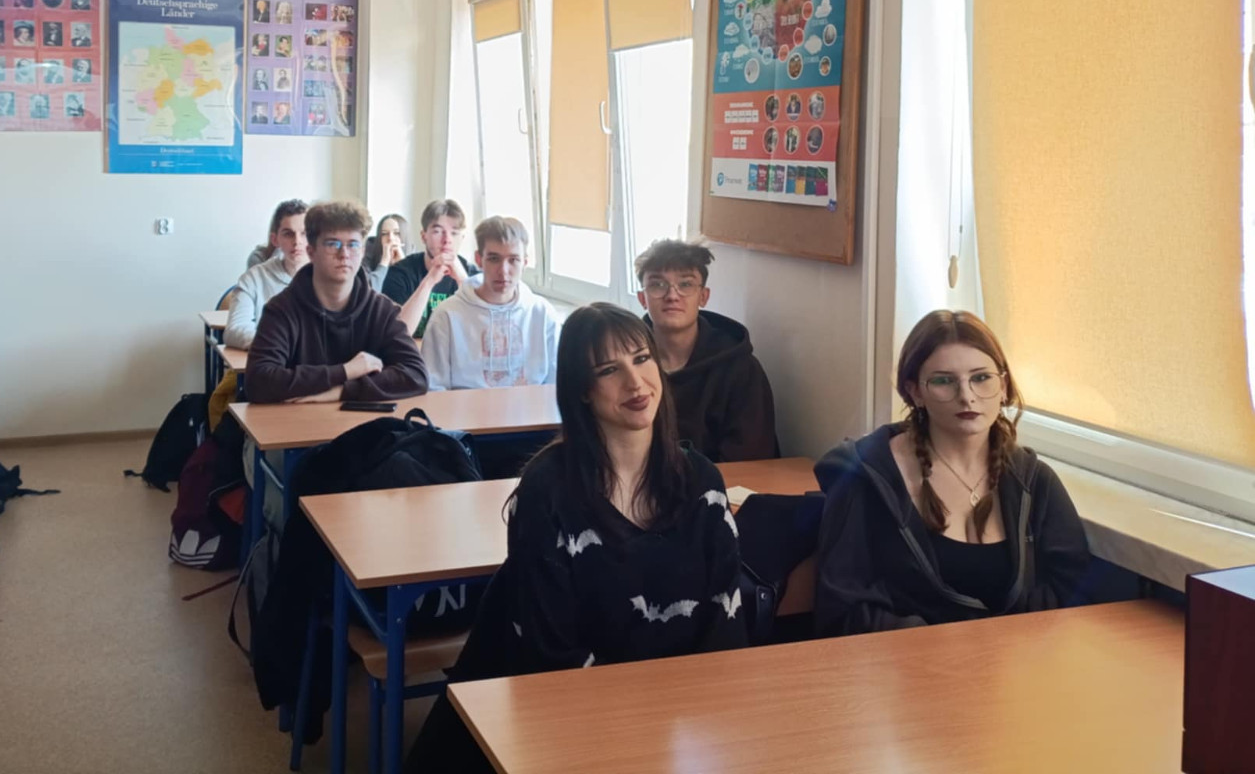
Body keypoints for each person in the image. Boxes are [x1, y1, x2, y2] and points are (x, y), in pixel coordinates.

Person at [405, 304, 749, 774]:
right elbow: (551, 653)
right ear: (583, 390)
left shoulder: (702, 482)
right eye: (609, 370)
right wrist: (642, 725)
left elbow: (725, 624)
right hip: (570, 717)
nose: (635, 383)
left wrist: (687, 718)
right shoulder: (548, 491)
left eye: (642, 359)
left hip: (679, 719)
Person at [813, 310, 1090, 636]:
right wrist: (937, 645)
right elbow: (843, 610)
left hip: (1014, 660)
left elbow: (1073, 588)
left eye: (981, 378)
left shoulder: (1033, 480)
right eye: (944, 381)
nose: (967, 396)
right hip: (906, 661)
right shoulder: (865, 479)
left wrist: (1008, 642)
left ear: (1003, 386)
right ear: (915, 392)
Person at [244, 200, 426, 403]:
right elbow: (257, 381)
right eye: (333, 244)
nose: (344, 254)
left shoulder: (381, 310)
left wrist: (342, 391)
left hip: (364, 421)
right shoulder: (281, 309)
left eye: (353, 244)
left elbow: (416, 375)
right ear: (311, 252)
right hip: (296, 421)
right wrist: (345, 371)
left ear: (362, 252)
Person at [634, 239, 777, 462]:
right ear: (643, 298)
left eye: (686, 284)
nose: (672, 296)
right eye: (658, 285)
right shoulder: (627, 364)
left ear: (703, 296)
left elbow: (749, 455)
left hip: (720, 481)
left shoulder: (740, 368)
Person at [422, 216, 559, 390]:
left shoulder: (543, 314)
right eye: (494, 259)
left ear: (524, 263)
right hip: (465, 408)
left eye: (513, 260)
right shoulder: (446, 316)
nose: (503, 271)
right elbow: (434, 388)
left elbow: (555, 386)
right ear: (479, 259)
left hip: (530, 408)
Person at [381, 199, 478, 339]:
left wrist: (463, 281)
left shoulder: (474, 276)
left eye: (454, 233)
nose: (447, 240)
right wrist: (428, 282)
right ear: (423, 236)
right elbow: (397, 334)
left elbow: (483, 331)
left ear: (462, 238)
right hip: (413, 352)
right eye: (438, 231)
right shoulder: (400, 273)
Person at [224, 199, 309, 349]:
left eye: (304, 234)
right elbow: (235, 330)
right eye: (288, 234)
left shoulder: (330, 278)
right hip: (272, 358)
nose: (297, 241)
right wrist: (277, 344)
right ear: (275, 240)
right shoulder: (253, 279)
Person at [362, 212, 407, 292]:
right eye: (384, 234)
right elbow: (368, 292)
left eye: (396, 233)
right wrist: (384, 262)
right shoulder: (366, 254)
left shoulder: (415, 257)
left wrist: (403, 265)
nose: (390, 238)